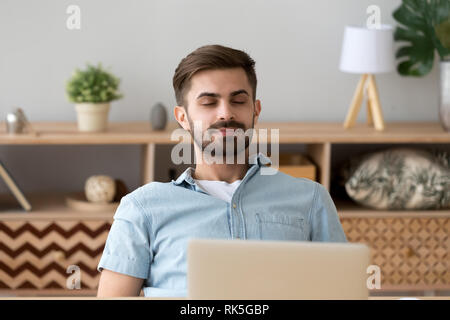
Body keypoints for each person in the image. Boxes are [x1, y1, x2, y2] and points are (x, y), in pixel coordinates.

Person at [96, 44, 347, 297]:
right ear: (182, 118)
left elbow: (342, 292)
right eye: (208, 102)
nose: (226, 113)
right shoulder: (142, 208)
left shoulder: (311, 199)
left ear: (255, 111)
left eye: (238, 100)